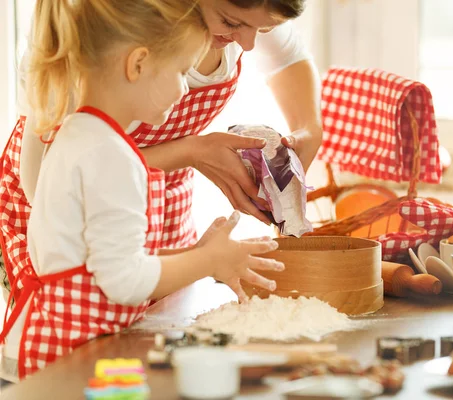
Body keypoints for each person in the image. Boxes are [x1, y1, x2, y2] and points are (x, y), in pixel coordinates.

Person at [0, 0, 283, 382]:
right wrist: (208, 262)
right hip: (65, 363)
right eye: (182, 71)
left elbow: (97, 260)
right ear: (138, 65)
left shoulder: (81, 135)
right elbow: (124, 281)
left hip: (50, 346)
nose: (186, 88)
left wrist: (196, 252)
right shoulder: (113, 158)